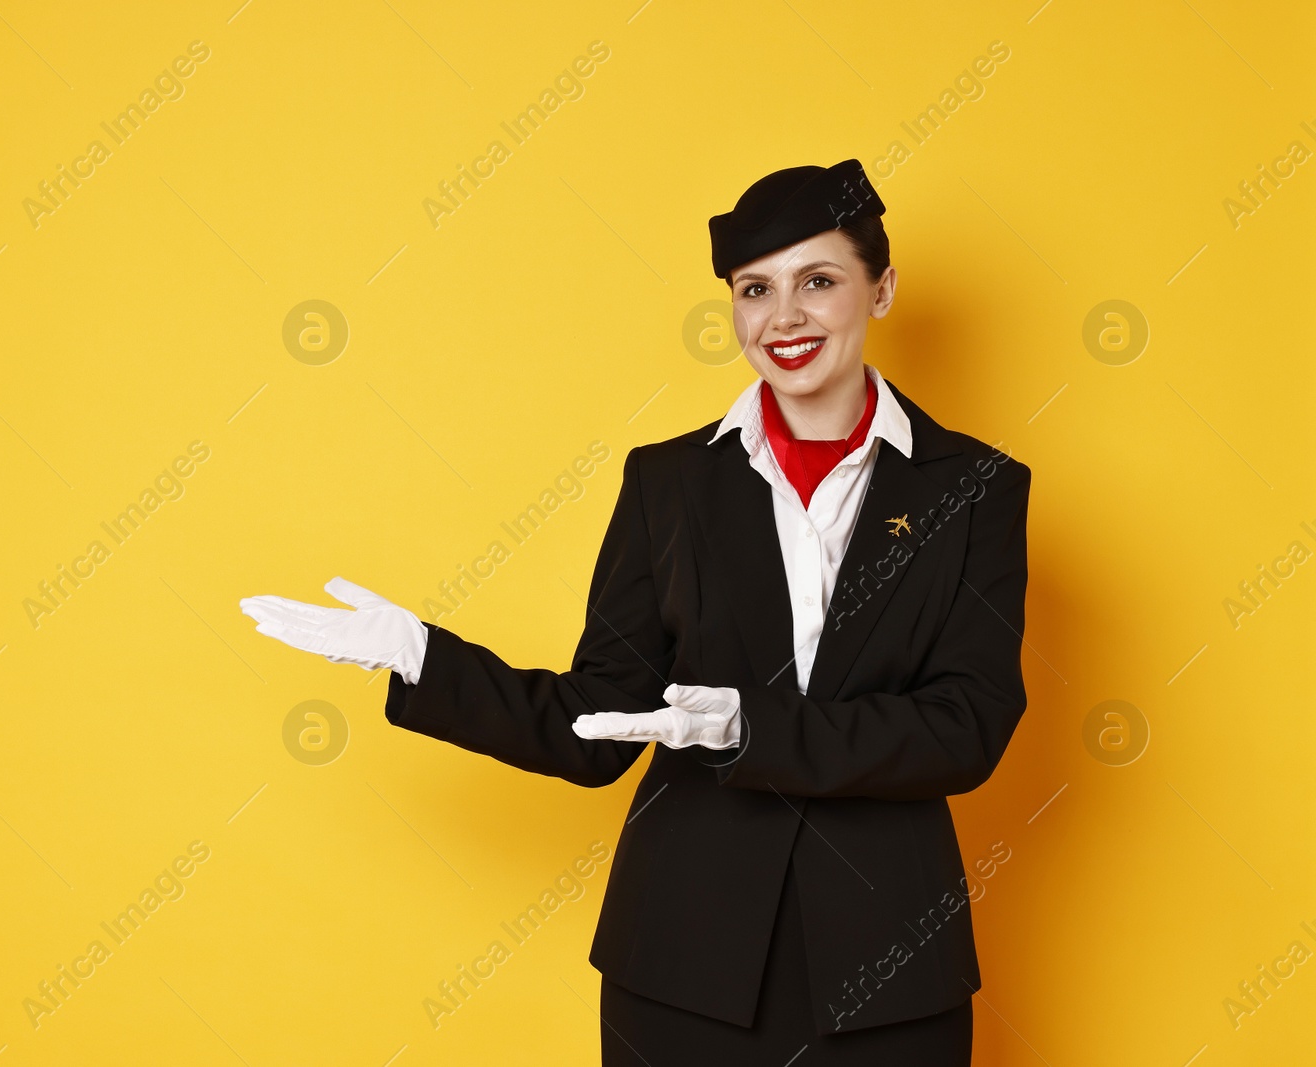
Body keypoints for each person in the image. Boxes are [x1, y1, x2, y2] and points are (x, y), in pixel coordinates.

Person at [241, 159, 1032, 1064]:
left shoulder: (975, 489)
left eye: (819, 281)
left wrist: (749, 726)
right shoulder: (668, 483)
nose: (785, 318)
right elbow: (597, 727)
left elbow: (965, 728)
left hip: (888, 965)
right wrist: (425, 657)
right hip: (681, 965)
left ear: (881, 289)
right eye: (754, 290)